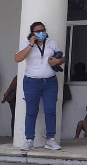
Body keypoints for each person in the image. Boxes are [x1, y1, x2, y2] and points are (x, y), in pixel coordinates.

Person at [14, 21, 66, 151]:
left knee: (50, 110)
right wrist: (31, 45)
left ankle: (50, 139)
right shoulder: (26, 44)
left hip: (50, 82)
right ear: (32, 33)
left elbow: (63, 57)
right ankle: (29, 140)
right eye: (38, 31)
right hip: (32, 82)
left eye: (43, 30)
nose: (41, 33)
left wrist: (58, 61)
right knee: (31, 111)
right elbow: (18, 58)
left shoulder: (51, 44)